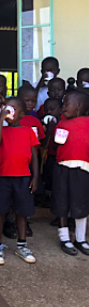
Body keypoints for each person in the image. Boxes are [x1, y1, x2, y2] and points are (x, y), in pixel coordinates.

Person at [0, 97, 39, 265]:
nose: (9, 111)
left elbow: (34, 156)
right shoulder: (2, 130)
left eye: (13, 109)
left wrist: (35, 176)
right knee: (0, 211)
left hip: (23, 177)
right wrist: (0, 120)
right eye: (6, 108)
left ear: (22, 114)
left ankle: (22, 245)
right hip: (3, 176)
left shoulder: (28, 131)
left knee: (21, 212)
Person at [51, 92, 89, 256]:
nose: (63, 107)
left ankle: (81, 239)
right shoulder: (61, 123)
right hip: (62, 167)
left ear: (79, 106)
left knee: (81, 204)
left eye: (67, 104)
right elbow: (56, 145)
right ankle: (64, 237)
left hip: (83, 169)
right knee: (62, 202)